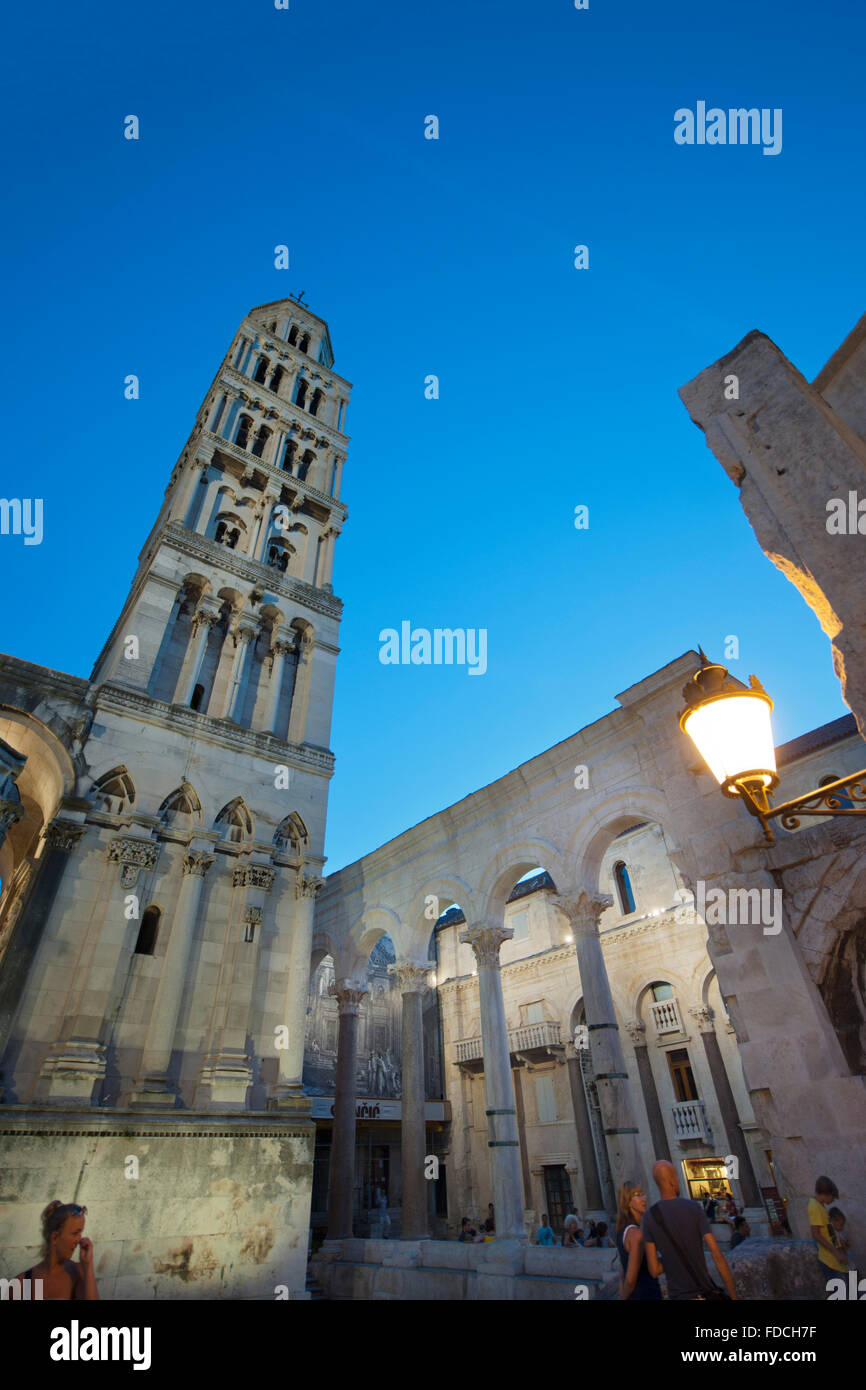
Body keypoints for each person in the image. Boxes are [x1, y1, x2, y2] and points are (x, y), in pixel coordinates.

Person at [642, 1160, 737, 1301]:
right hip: (704, 1292)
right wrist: (733, 1296)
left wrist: (670, 1258)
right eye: (676, 1177)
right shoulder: (694, 1208)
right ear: (673, 1181)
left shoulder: (649, 1217)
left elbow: (654, 1270)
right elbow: (717, 1255)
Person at [15, 1200, 99, 1300]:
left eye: (80, 1233)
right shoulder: (23, 1282)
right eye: (75, 1233)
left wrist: (88, 1266)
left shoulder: (78, 1273)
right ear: (55, 1237)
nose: (79, 1240)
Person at [616, 1181, 662, 1302]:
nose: (644, 1198)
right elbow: (630, 1279)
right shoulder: (636, 1235)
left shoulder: (623, 1231)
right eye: (638, 1195)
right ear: (628, 1202)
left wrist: (622, 1294)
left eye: (643, 1193)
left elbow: (622, 1270)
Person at [808, 1177, 849, 1289]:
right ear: (826, 1194)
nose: (833, 1201)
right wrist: (836, 1252)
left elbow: (828, 1230)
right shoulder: (814, 1206)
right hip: (829, 1261)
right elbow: (816, 1234)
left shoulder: (821, 1207)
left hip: (835, 1260)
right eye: (833, 1197)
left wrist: (840, 1242)